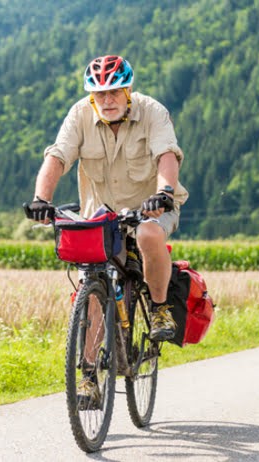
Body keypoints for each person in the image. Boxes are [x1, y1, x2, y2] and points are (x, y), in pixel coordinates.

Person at [24, 55, 188, 403]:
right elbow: (57, 158)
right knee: (93, 282)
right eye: (100, 94)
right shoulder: (80, 115)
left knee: (148, 234)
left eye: (114, 92)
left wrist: (163, 194)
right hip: (101, 215)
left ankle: (159, 308)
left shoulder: (152, 112)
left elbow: (167, 157)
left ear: (128, 90)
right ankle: (87, 376)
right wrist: (41, 198)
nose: (107, 100)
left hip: (151, 207)